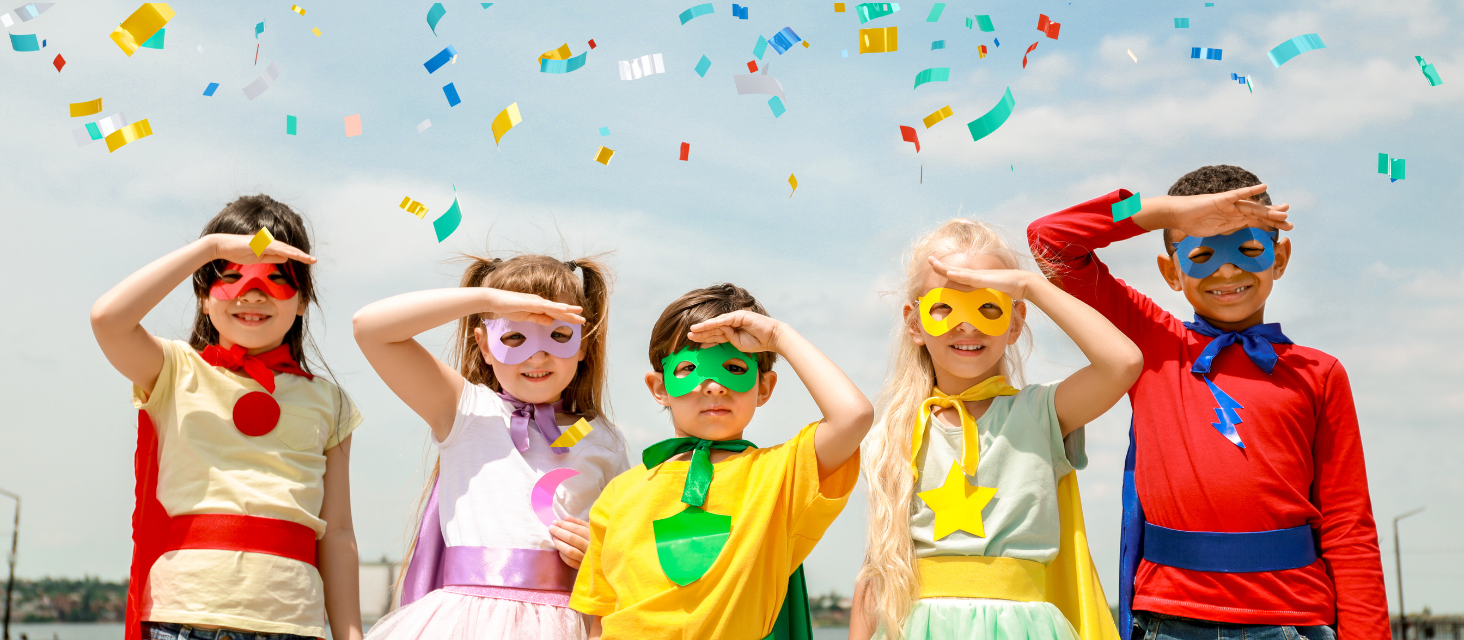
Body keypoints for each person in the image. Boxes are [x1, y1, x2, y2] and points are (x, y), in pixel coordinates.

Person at [1027, 165, 1389, 639]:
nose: (1227, 269)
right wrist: (1164, 212)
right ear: (1171, 272)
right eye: (1201, 253)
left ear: (1280, 259)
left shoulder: (1319, 375)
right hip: (1170, 621)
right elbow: (1050, 241)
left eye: (1250, 249)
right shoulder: (1151, 341)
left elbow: (1349, 525)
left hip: (1293, 621)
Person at [850, 219, 1141, 640]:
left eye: (989, 307)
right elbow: (878, 566)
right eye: (944, 307)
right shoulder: (894, 431)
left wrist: (1030, 286)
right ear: (915, 324)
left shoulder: (1041, 413)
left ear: (1015, 322)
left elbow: (1123, 363)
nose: (967, 326)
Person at [91, 195, 363, 640]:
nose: (252, 293)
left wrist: (351, 634)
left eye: (276, 278)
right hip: (185, 618)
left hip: (292, 622)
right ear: (203, 296)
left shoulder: (329, 401)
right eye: (231, 276)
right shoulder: (174, 369)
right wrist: (211, 248)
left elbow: (338, 534)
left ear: (302, 302)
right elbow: (107, 319)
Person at [570, 284, 874, 640]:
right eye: (688, 368)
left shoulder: (781, 475)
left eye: (733, 367)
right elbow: (599, 621)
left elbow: (853, 416)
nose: (714, 386)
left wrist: (778, 335)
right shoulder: (619, 493)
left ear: (764, 387)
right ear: (659, 386)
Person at [353, 253, 628, 639]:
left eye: (559, 335)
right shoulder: (466, 409)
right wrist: (487, 301)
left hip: (567, 622)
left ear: (584, 344)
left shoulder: (605, 439)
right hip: (464, 621)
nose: (537, 354)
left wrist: (599, 554)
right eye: (515, 335)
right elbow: (370, 327)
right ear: (483, 343)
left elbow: (628, 549)